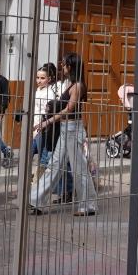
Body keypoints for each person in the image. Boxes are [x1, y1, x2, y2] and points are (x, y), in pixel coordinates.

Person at [29, 52, 98, 216]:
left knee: (79, 169)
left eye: (64, 64)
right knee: (54, 165)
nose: (62, 66)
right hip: (66, 129)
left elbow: (69, 109)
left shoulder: (78, 86)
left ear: (71, 66)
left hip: (73, 129)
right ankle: (35, 200)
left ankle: (88, 205)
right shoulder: (69, 84)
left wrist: (47, 121)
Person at [30, 63, 60, 177]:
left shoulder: (49, 93)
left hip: (43, 128)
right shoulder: (38, 90)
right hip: (34, 126)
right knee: (33, 153)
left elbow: (48, 113)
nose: (39, 80)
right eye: (38, 78)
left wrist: (43, 125)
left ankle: (41, 179)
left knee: (41, 154)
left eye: (42, 78)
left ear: (49, 79)